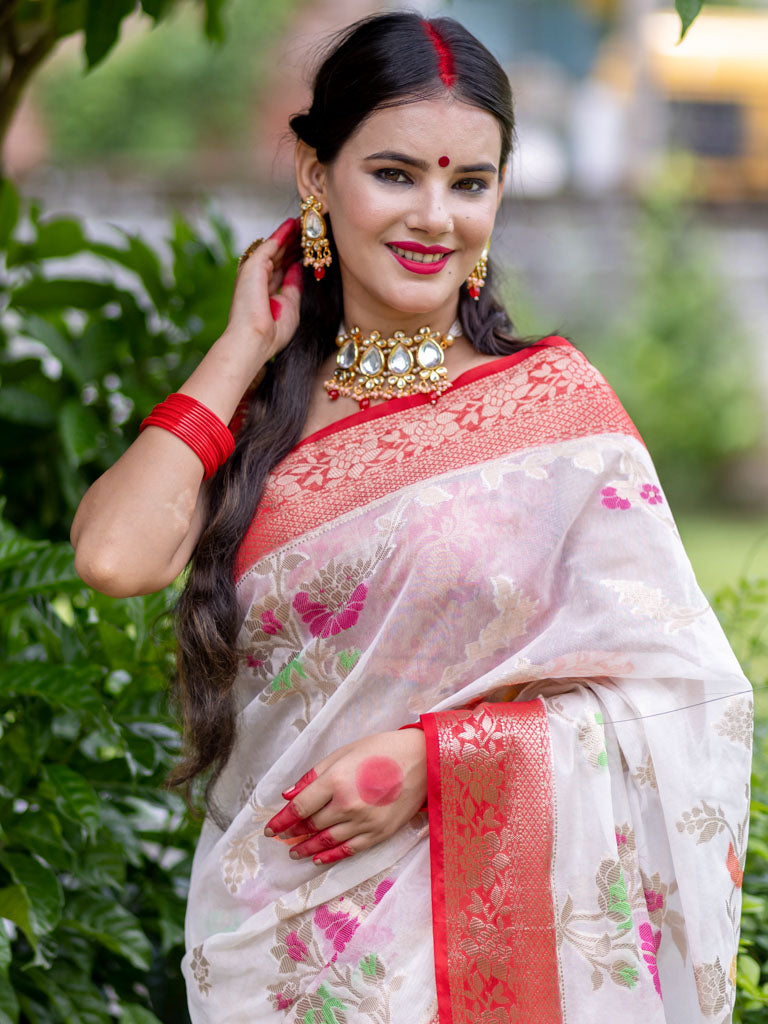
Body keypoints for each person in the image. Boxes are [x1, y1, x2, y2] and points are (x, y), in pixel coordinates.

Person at [70, 12, 753, 1024]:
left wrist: (438, 761)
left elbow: (689, 697)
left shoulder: (554, 417)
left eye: (469, 184)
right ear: (317, 172)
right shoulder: (257, 416)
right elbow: (114, 556)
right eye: (395, 174)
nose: (436, 216)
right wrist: (239, 350)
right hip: (274, 953)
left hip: (461, 949)